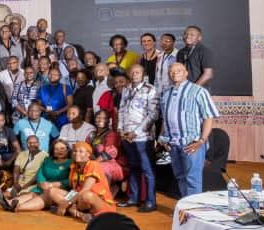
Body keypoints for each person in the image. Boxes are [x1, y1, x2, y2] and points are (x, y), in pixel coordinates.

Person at [158, 62, 218, 197]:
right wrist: (162, 137)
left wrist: (202, 140)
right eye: (171, 72)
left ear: (186, 73)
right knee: (180, 177)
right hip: (172, 143)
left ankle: (193, 212)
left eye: (178, 71)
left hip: (191, 143)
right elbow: (165, 118)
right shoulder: (166, 93)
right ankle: (185, 209)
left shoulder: (198, 91)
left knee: (192, 179)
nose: (174, 74)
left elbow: (208, 117)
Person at [118, 65, 158, 211]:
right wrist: (120, 129)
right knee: (133, 167)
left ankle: (150, 202)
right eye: (132, 72)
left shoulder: (150, 89)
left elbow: (153, 114)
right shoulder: (126, 89)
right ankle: (133, 198)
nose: (134, 74)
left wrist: (137, 131)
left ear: (143, 74)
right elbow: (122, 110)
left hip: (143, 137)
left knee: (147, 170)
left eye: (138, 72)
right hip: (127, 136)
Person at [0, 139, 72, 212]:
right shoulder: (48, 160)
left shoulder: (71, 162)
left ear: (67, 149)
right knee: (33, 194)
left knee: (44, 196)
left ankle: (17, 207)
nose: (59, 151)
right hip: (43, 187)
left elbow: (71, 180)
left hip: (58, 191)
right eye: (56, 149)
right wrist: (42, 183)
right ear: (53, 150)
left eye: (62, 148)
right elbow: (40, 173)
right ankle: (9, 202)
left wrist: (52, 185)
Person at [54, 142, 117, 221]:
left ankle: (74, 212)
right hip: (82, 202)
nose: (77, 153)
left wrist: (66, 203)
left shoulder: (93, 164)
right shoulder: (74, 167)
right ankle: (80, 214)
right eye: (75, 151)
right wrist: (68, 202)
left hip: (99, 203)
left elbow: (85, 189)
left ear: (88, 154)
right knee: (53, 191)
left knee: (86, 195)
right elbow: (74, 190)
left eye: (81, 151)